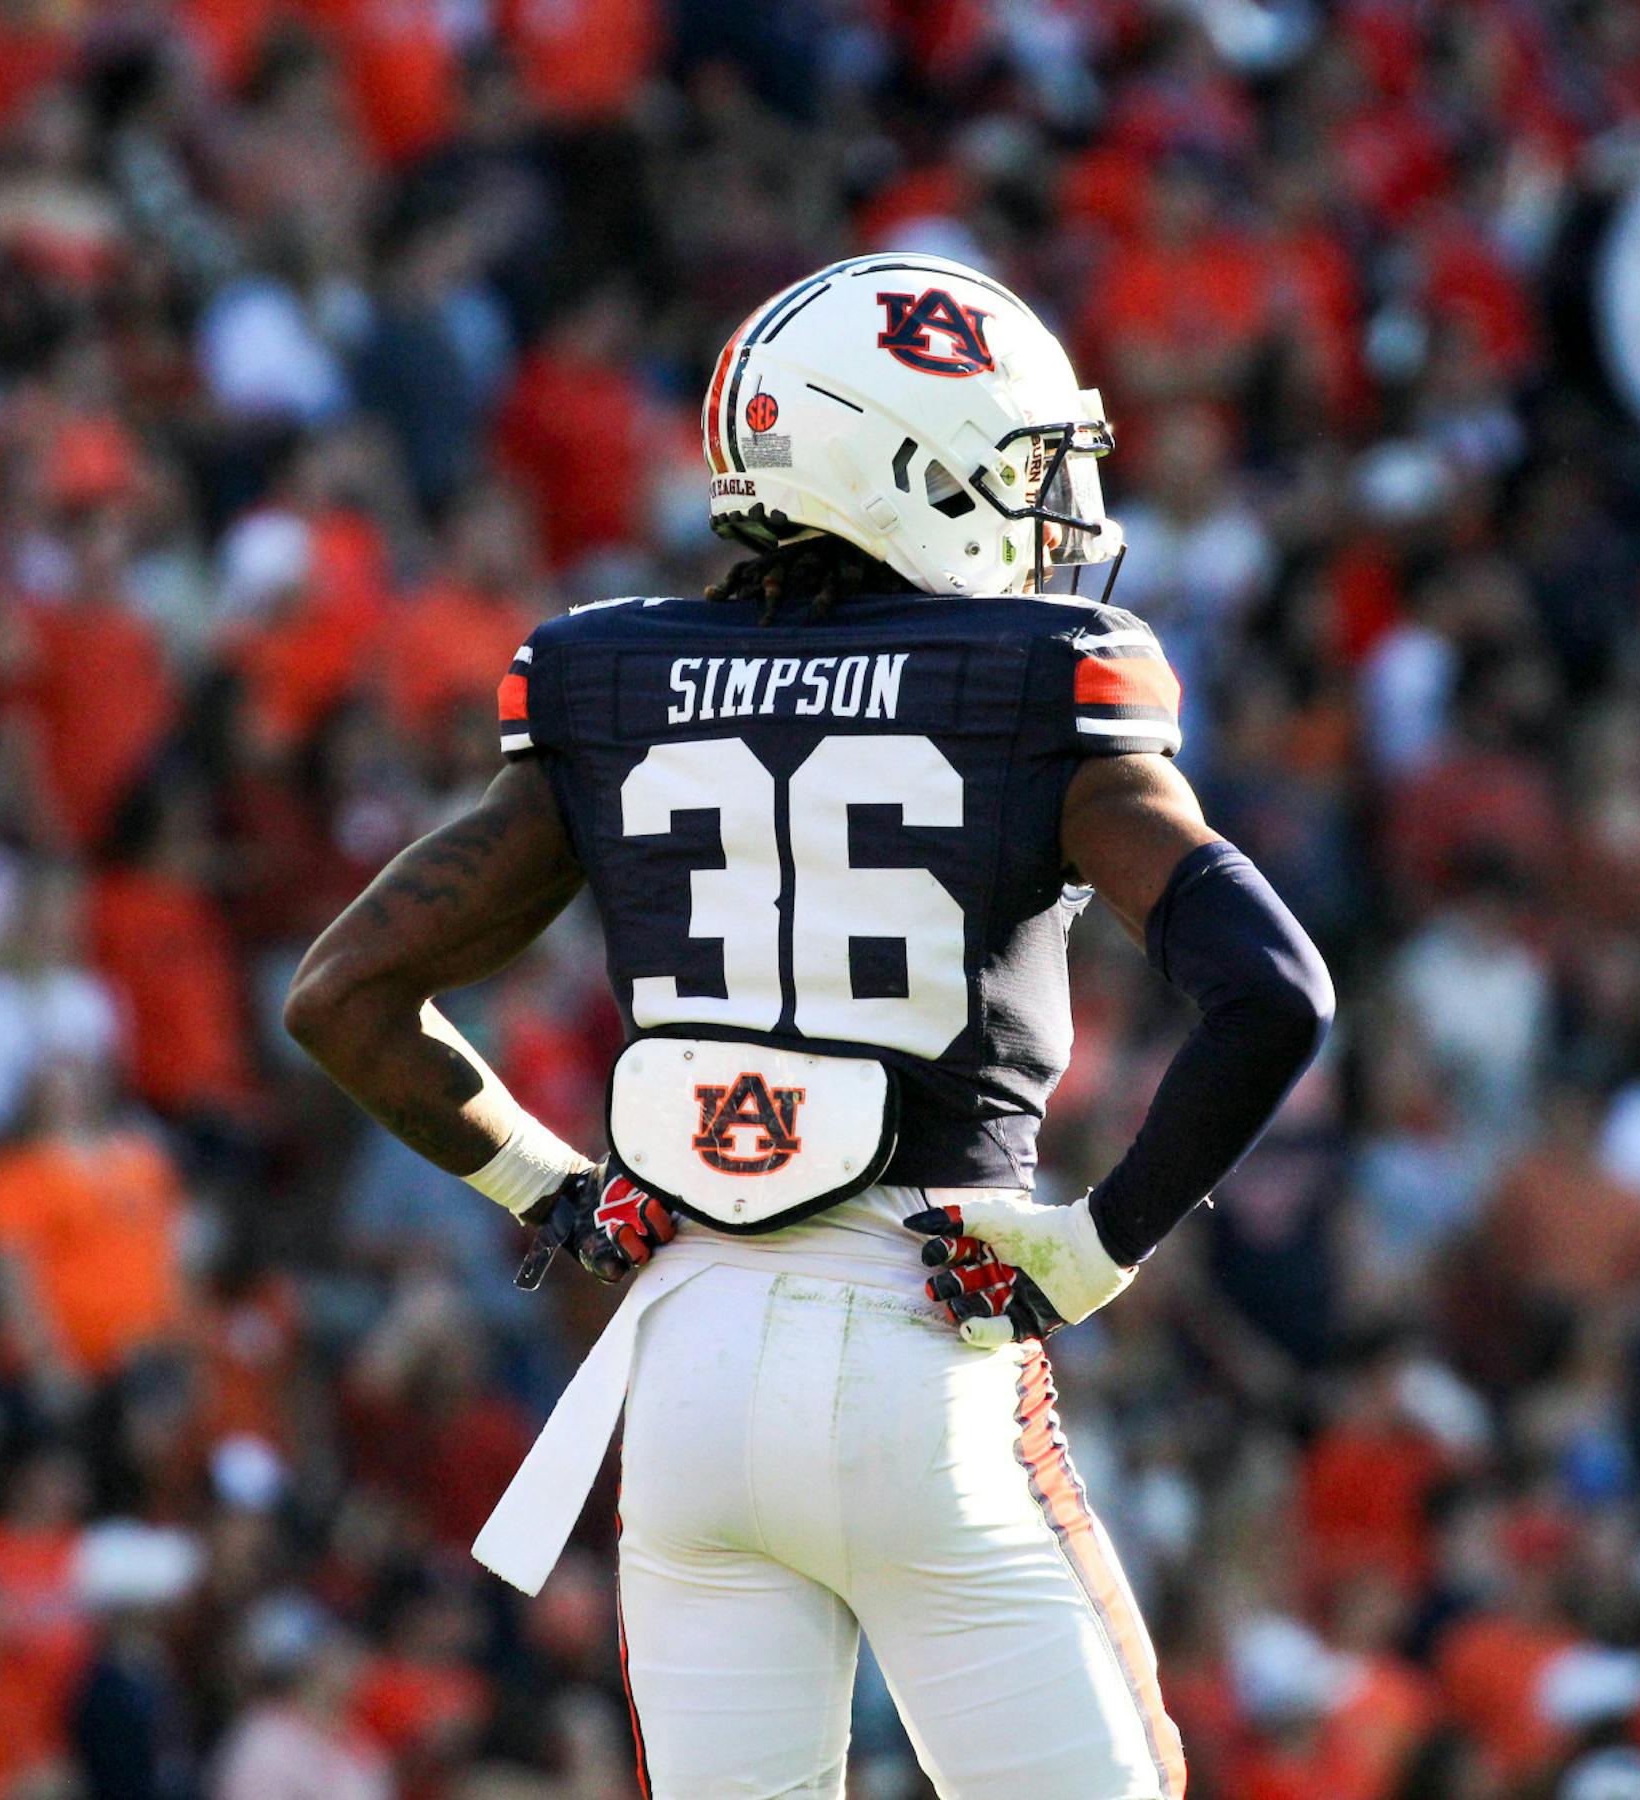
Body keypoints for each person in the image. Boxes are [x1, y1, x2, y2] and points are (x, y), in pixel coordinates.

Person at [286, 251, 1334, 1797]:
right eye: (1011, 465)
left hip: (688, 1366)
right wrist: (1099, 1243)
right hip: (926, 1340)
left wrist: (552, 1190)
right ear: (905, 462)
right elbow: (1275, 992)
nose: (1042, 510)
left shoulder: (610, 678)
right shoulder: (1032, 687)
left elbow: (343, 996)